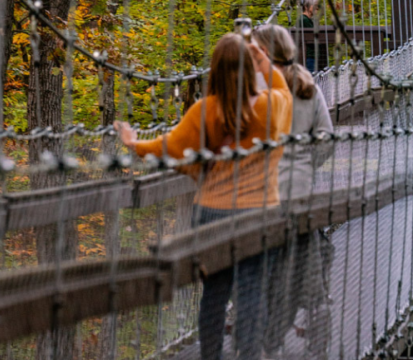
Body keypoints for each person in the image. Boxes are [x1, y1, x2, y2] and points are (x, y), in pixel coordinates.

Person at [114, 33, 292, 360]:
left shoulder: (203, 111)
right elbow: (283, 89)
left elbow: (166, 148)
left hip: (211, 213)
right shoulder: (271, 105)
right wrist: (263, 58)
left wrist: (133, 143)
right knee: (253, 291)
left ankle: (211, 356)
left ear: (215, 70)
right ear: (249, 68)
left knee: (214, 292)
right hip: (258, 213)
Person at [254, 24, 334, 359]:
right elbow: (326, 136)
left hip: (261, 194)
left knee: (268, 266)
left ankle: (266, 336)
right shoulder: (308, 85)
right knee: (305, 258)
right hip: (300, 192)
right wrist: (306, 165)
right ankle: (313, 312)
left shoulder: (254, 86)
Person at [298, 0, 319, 72]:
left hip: (310, 56)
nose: (317, 7)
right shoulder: (304, 20)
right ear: (307, 6)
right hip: (308, 57)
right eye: (315, 5)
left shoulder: (306, 19)